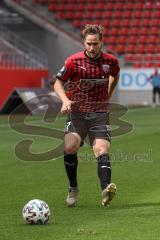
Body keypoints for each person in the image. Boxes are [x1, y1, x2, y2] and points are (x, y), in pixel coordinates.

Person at [53, 24, 120, 207]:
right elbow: (58, 83)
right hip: (77, 113)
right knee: (70, 147)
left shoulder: (111, 61)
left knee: (102, 150)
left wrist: (108, 94)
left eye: (95, 44)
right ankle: (73, 187)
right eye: (89, 44)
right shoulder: (73, 62)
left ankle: (106, 189)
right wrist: (65, 100)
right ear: (84, 42)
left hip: (99, 113)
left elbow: (115, 75)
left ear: (101, 42)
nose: (92, 48)